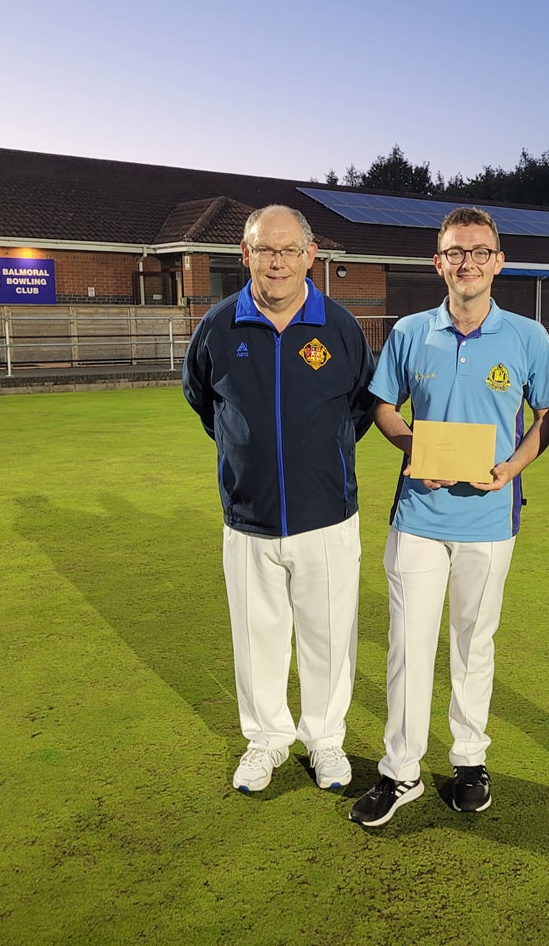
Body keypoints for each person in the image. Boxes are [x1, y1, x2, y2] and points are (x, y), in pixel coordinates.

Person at [349, 207, 549, 827]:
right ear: (437, 262)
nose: (466, 262)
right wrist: (415, 446)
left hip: (491, 520)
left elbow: (547, 417)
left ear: (499, 261)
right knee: (407, 646)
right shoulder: (412, 331)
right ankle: (401, 770)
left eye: (479, 251)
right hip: (417, 517)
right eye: (454, 252)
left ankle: (469, 759)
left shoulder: (528, 337)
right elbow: (384, 404)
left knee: (474, 645)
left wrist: (510, 470)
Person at [182, 205, 376, 795]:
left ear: (311, 256)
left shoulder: (341, 327)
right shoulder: (217, 327)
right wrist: (250, 455)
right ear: (246, 255)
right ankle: (266, 740)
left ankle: (325, 741)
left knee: (328, 637)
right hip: (248, 521)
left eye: (290, 251)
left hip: (328, 519)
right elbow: (203, 402)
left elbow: (361, 408)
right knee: (257, 637)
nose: (278, 263)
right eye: (266, 250)